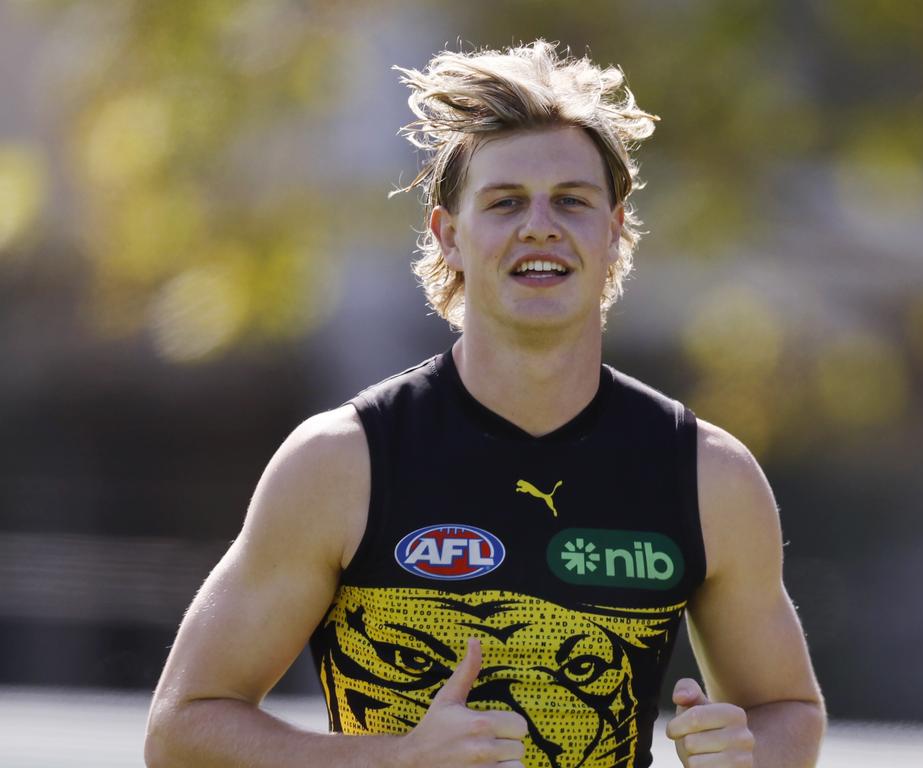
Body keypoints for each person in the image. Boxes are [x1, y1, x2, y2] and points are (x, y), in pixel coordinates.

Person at [145, 40, 825, 768]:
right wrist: (397, 760)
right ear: (449, 236)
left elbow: (788, 710)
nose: (541, 226)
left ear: (614, 228)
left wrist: (750, 754)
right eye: (505, 203)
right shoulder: (342, 462)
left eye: (572, 200)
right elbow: (182, 730)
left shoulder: (707, 476)